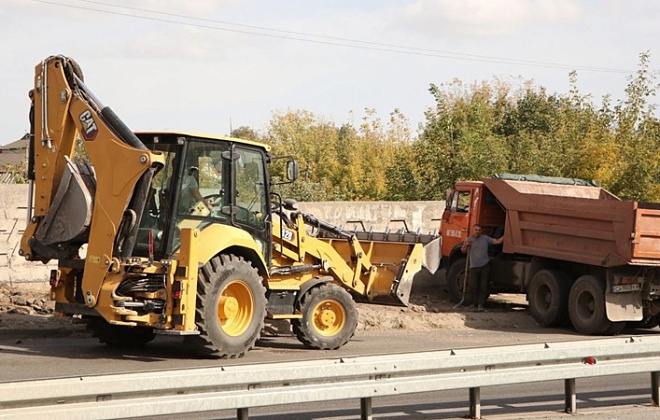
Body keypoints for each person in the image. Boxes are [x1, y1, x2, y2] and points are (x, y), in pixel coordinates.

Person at [460, 224, 504, 311]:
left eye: (479, 230)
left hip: (484, 265)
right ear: (473, 230)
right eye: (476, 230)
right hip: (473, 266)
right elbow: (463, 251)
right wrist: (466, 245)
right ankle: (473, 303)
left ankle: (481, 305)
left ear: (481, 231)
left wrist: (505, 235)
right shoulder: (469, 239)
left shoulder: (485, 238)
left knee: (483, 286)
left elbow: (497, 241)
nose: (477, 232)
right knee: (472, 285)